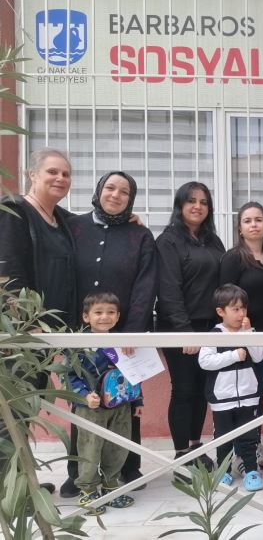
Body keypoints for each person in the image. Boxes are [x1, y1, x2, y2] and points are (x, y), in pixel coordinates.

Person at [61, 171, 157, 497]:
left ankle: (127, 467)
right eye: (110, 188)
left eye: (124, 191)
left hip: (124, 333)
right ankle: (79, 473)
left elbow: (146, 284)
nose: (116, 195)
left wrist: (133, 331)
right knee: (83, 400)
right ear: (99, 190)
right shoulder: (73, 227)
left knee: (125, 398)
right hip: (82, 332)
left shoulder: (140, 235)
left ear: (131, 199)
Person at [0, 149, 78, 494]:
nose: (60, 178)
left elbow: (93, 225)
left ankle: (23, 484)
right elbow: (7, 271)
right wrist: (23, 324)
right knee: (12, 414)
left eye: (66, 174)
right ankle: (11, 492)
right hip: (23, 336)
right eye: (52, 172)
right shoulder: (15, 212)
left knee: (27, 409)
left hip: (48, 337)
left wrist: (130, 220)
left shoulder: (60, 219)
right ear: (31, 174)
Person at [156, 181, 225, 472]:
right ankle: (182, 455)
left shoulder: (212, 241)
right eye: (191, 201)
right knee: (184, 390)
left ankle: (195, 447)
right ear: (180, 205)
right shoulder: (168, 241)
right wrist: (186, 332)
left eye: (203, 202)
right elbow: (169, 290)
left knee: (201, 390)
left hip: (209, 328)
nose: (198, 206)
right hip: (179, 328)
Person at [219, 201, 263, 473]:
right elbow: (225, 296)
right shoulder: (233, 258)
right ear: (240, 228)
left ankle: (253, 445)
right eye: (247, 221)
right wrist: (237, 329)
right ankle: (238, 452)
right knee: (242, 394)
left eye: (258, 219)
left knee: (258, 393)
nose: (254, 225)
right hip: (243, 337)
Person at [67, 292, 139, 515]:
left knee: (118, 446)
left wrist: (138, 399)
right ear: (86, 317)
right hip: (91, 407)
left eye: (110, 312)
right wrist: (84, 396)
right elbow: (69, 375)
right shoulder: (78, 344)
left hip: (120, 405)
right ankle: (88, 491)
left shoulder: (123, 342)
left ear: (118, 316)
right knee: (89, 448)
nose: (104, 317)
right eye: (98, 312)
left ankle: (111, 486)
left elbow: (133, 371)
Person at [198, 284, 263, 491]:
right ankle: (224, 471)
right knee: (223, 437)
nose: (241, 313)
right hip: (222, 398)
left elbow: (259, 356)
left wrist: (249, 334)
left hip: (248, 395)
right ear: (221, 312)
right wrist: (233, 355)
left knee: (249, 436)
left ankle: (251, 471)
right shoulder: (214, 335)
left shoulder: (249, 332)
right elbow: (205, 361)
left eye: (243, 308)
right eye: (235, 309)